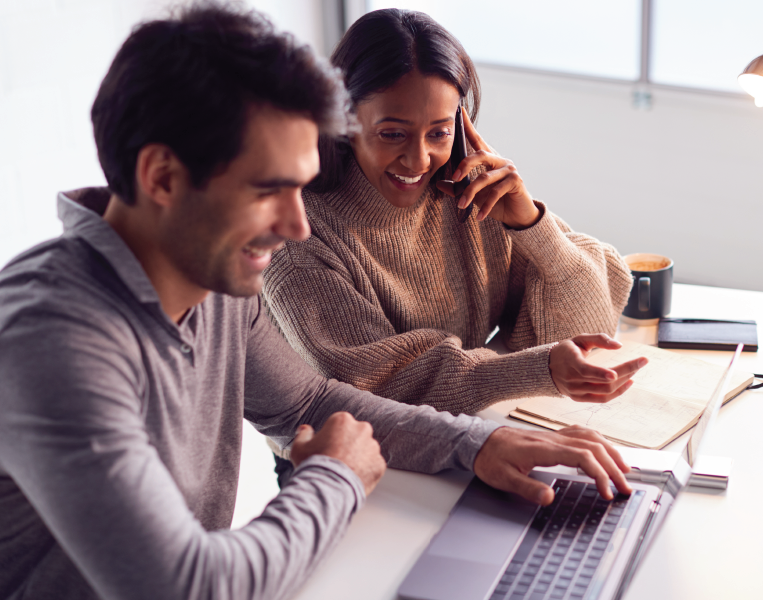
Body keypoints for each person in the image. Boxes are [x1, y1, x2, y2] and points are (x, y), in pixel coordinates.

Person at [0, 4, 632, 600]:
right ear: (162, 178)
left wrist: (476, 444)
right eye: (268, 190)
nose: (298, 226)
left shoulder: (211, 280)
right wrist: (336, 476)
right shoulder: (51, 338)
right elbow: (189, 585)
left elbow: (308, 400)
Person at [262, 9, 646, 423]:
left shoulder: (470, 185)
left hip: (463, 425)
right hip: (342, 456)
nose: (419, 160)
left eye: (440, 132)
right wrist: (536, 370)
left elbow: (585, 326)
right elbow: (376, 386)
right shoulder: (297, 231)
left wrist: (532, 224)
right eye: (393, 133)